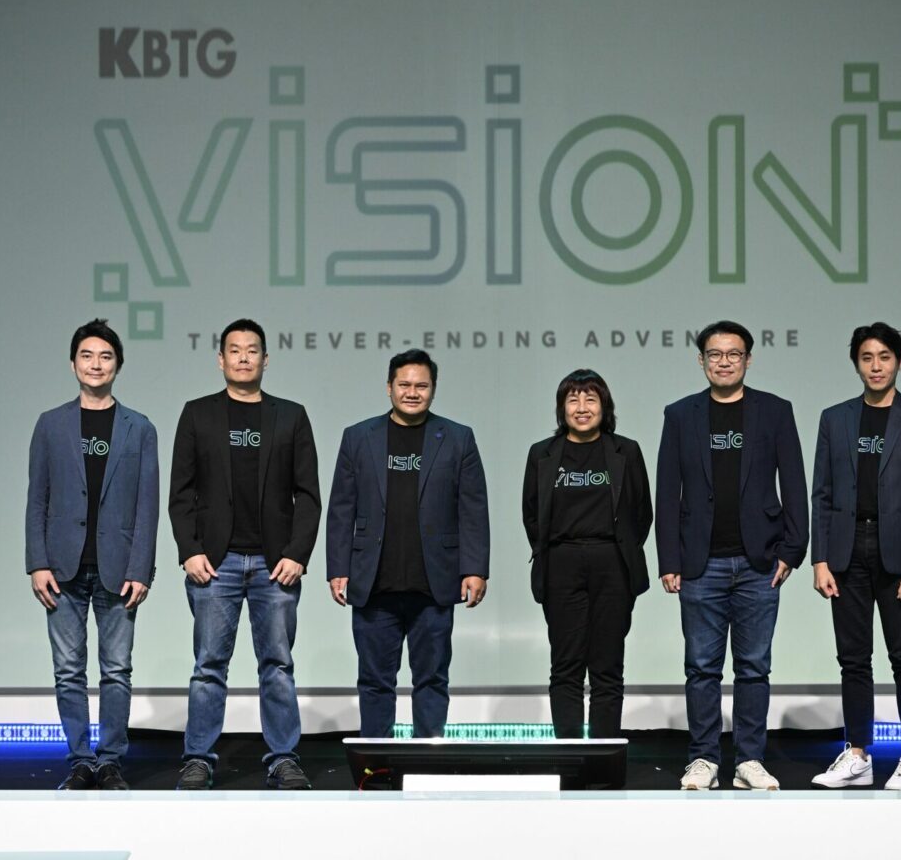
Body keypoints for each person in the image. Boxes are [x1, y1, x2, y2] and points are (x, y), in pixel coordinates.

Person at [655, 320, 808, 791]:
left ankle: (749, 760)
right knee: (701, 667)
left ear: (748, 359)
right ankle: (703, 759)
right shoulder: (680, 414)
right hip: (699, 564)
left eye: (734, 354)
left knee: (754, 667)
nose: (724, 362)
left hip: (760, 561)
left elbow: (794, 483)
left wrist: (792, 550)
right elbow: (667, 490)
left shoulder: (774, 411)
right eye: (715, 354)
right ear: (701, 360)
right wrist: (669, 560)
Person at [169, 318, 321, 790]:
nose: (242, 358)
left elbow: (308, 495)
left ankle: (283, 758)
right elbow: (181, 493)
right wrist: (190, 551)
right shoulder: (198, 414)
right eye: (234, 350)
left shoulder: (290, 416)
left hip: (276, 565)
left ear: (265, 359)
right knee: (208, 667)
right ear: (221, 359)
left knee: (278, 665)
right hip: (216, 564)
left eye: (252, 350)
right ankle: (198, 759)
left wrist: (297, 553)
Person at [326, 349, 490, 737]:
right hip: (373, 583)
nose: (412, 392)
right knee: (374, 681)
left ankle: (426, 760)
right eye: (404, 384)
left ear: (433, 389)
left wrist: (475, 568)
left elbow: (472, 508)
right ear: (389, 387)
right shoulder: (358, 437)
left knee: (432, 678)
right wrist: (338, 568)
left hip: (434, 584)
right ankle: (376, 763)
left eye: (422, 385)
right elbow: (341, 508)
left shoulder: (458, 438)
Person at [25, 318, 159, 790]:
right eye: (87, 355)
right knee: (68, 670)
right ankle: (80, 760)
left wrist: (142, 569)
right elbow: (37, 498)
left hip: (118, 570)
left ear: (117, 365)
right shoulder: (51, 424)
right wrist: (37, 562)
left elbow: (147, 505)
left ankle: (111, 761)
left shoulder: (139, 428)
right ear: (73, 364)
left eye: (105, 356)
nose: (96, 364)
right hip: (61, 569)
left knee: (116, 671)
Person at [810, 322, 901, 791]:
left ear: (899, 362)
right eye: (867, 358)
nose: (876, 366)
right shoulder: (835, 419)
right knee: (853, 659)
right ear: (856, 364)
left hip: (899, 554)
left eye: (884, 357)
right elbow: (821, 494)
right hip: (846, 550)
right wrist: (820, 559)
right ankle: (858, 755)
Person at [521, 369, 652, 739]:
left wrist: (616, 550)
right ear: (561, 408)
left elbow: (641, 513)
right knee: (566, 666)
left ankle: (603, 757)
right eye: (573, 400)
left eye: (590, 399)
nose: (581, 408)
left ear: (604, 406)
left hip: (613, 563)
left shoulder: (626, 451)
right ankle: (569, 756)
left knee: (607, 667)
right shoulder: (542, 454)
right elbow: (532, 514)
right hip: (561, 563)